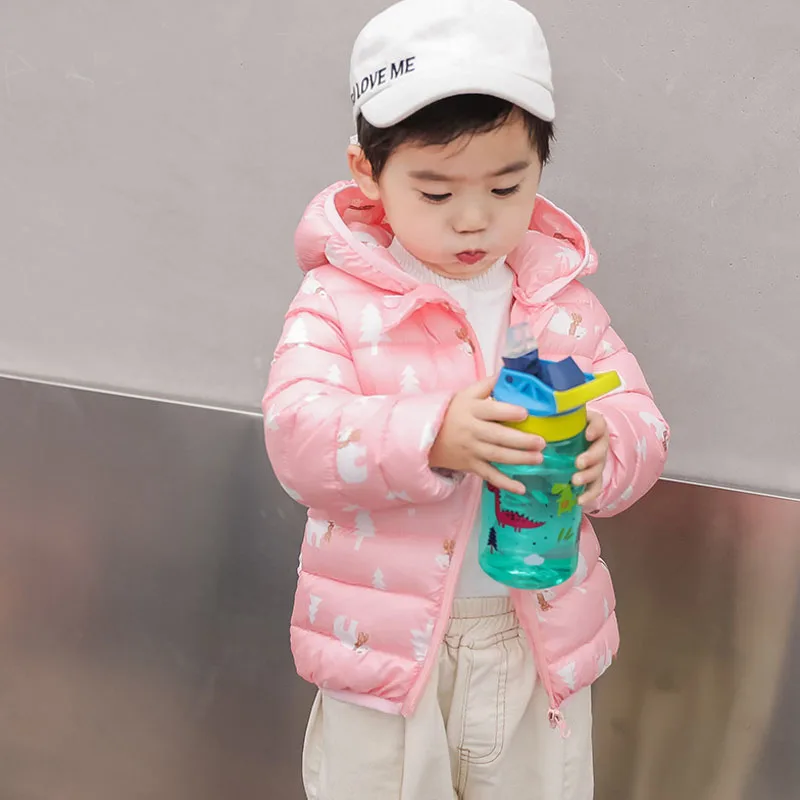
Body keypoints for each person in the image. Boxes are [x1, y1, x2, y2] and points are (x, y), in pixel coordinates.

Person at [263, 1, 669, 797]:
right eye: (436, 193)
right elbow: (298, 436)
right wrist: (432, 435)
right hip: (381, 652)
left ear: (539, 167)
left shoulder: (558, 303)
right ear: (368, 173)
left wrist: (607, 450)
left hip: (535, 640)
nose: (475, 219)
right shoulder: (338, 301)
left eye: (506, 185)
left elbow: (640, 418)